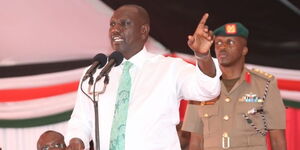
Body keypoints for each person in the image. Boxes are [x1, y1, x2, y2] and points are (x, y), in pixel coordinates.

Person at [65, 4, 221, 150]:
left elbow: (207, 90)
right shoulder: (95, 73)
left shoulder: (170, 68)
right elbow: (81, 121)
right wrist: (76, 141)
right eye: (112, 24)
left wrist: (203, 56)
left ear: (143, 30)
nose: (115, 30)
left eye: (124, 24)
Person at [182, 22, 287, 150]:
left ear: (244, 50)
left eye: (230, 42)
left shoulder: (265, 84)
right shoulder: (202, 85)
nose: (222, 47)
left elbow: (277, 139)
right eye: (218, 43)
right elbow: (196, 142)